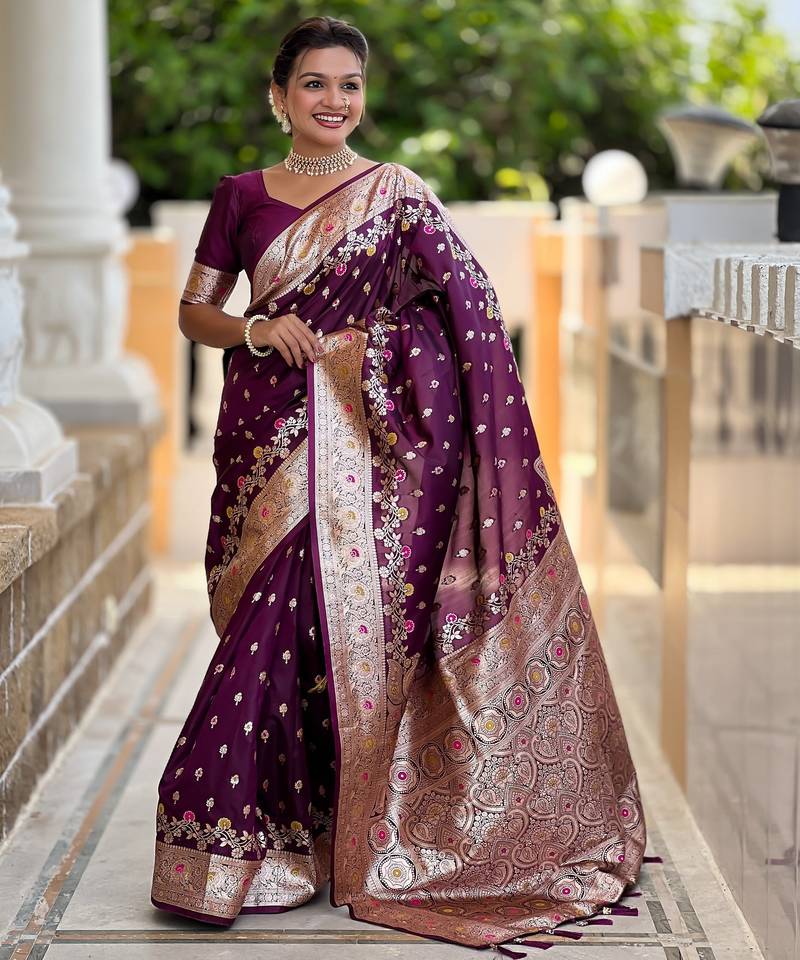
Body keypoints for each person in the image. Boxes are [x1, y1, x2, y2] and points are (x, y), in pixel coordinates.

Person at [150, 15, 646, 952]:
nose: (334, 101)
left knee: (306, 633)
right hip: (267, 435)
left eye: (349, 85)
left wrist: (365, 356)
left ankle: (286, 836)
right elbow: (194, 312)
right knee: (273, 625)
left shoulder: (399, 195)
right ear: (278, 96)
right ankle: (278, 841)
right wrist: (258, 330)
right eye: (314, 84)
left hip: (369, 448)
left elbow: (469, 308)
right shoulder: (241, 197)